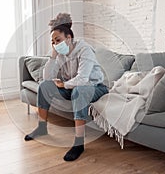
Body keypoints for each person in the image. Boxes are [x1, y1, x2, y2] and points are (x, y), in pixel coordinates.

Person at [24, 13, 108, 161]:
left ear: (68, 38)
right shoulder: (61, 54)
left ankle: (78, 143)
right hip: (73, 87)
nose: (56, 44)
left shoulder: (84, 50)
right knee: (44, 86)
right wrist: (53, 56)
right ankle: (42, 128)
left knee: (79, 90)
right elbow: (47, 77)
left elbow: (83, 79)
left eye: (58, 40)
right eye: (53, 42)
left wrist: (64, 84)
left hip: (94, 87)